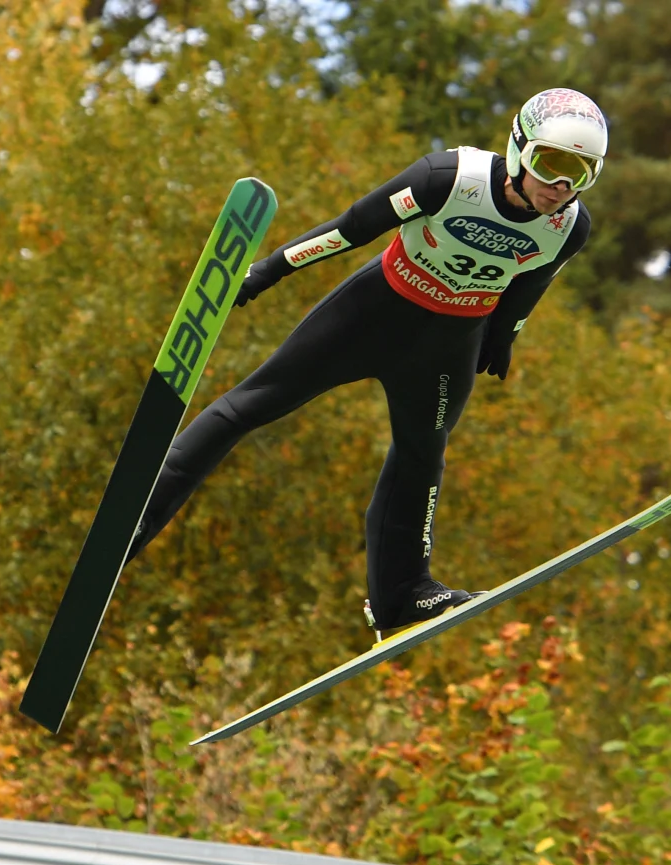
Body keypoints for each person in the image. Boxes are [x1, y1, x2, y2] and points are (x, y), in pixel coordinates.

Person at [126, 87, 606, 639]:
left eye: (582, 174)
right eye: (553, 165)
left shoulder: (570, 227)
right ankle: (139, 515)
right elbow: (350, 228)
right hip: (373, 314)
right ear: (520, 148)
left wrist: (506, 335)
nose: (562, 187)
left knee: (422, 460)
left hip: (448, 345)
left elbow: (531, 281)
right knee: (254, 404)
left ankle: (402, 598)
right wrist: (270, 270)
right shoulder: (447, 178)